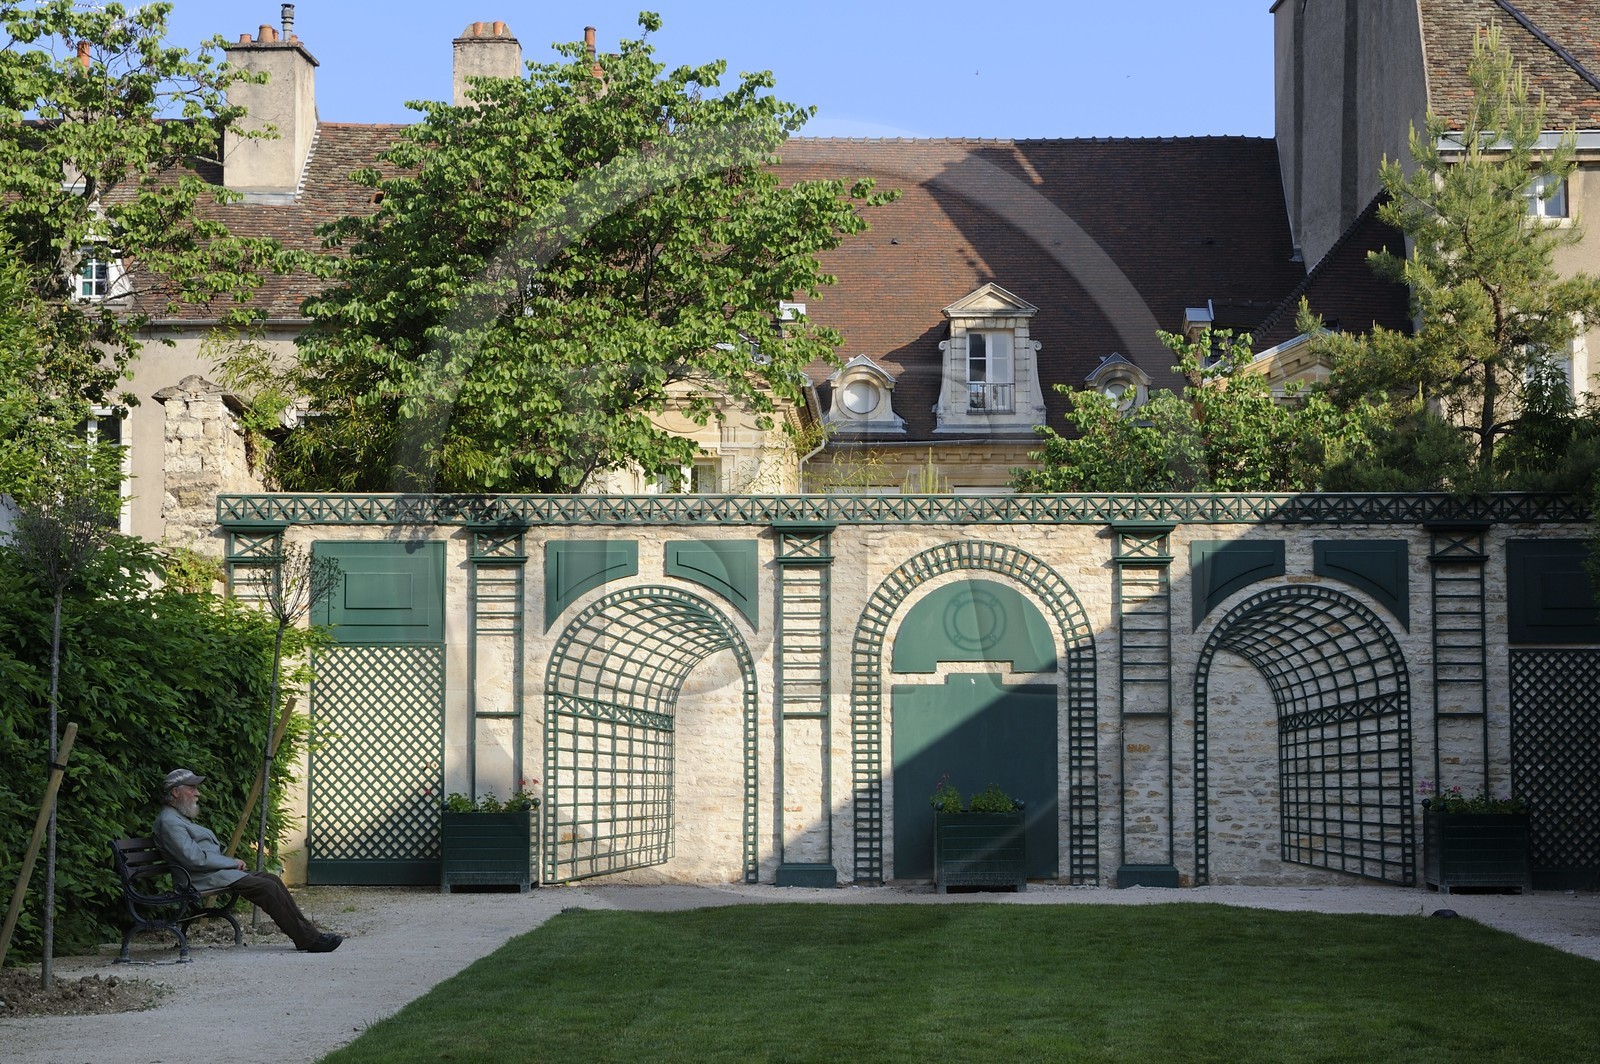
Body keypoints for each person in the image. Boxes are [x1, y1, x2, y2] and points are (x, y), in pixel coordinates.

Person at [152, 768, 342, 954]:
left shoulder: (177, 818)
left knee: (272, 880)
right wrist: (231, 863)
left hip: (211, 874)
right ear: (175, 792)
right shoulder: (169, 821)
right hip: (197, 879)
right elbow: (194, 859)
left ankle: (308, 934)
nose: (197, 793)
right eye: (192, 788)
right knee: (267, 887)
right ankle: (308, 939)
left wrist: (229, 864)